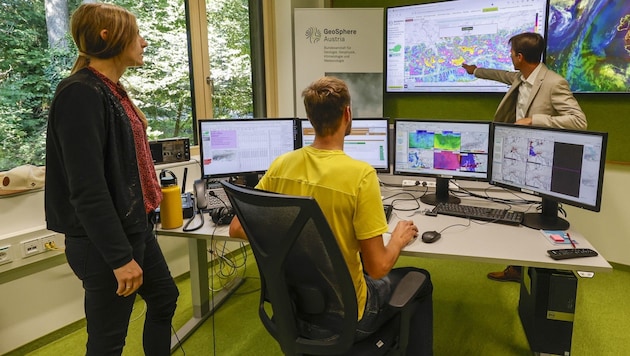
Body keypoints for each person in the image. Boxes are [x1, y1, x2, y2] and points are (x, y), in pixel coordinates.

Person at [229, 76, 434, 355]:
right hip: (348, 317)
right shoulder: (360, 176)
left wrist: (290, 239)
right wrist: (397, 239)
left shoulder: (281, 165)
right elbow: (377, 267)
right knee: (420, 278)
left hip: (292, 309)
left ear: (310, 118)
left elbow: (237, 228)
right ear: (347, 114)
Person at [45, 3, 179, 355]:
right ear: (108, 36)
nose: (144, 42)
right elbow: (86, 188)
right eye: (137, 34)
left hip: (134, 229)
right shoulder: (80, 93)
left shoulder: (110, 89)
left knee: (164, 298)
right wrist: (120, 258)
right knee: (107, 341)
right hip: (103, 244)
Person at [462, 32, 587, 282]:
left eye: (511, 54)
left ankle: (533, 266)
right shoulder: (522, 76)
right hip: (516, 153)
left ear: (519, 57)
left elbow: (579, 121)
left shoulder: (553, 82)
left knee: (533, 211)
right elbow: (501, 75)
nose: (510, 58)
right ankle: (517, 268)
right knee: (517, 207)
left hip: (539, 158)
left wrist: (535, 120)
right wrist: (474, 71)